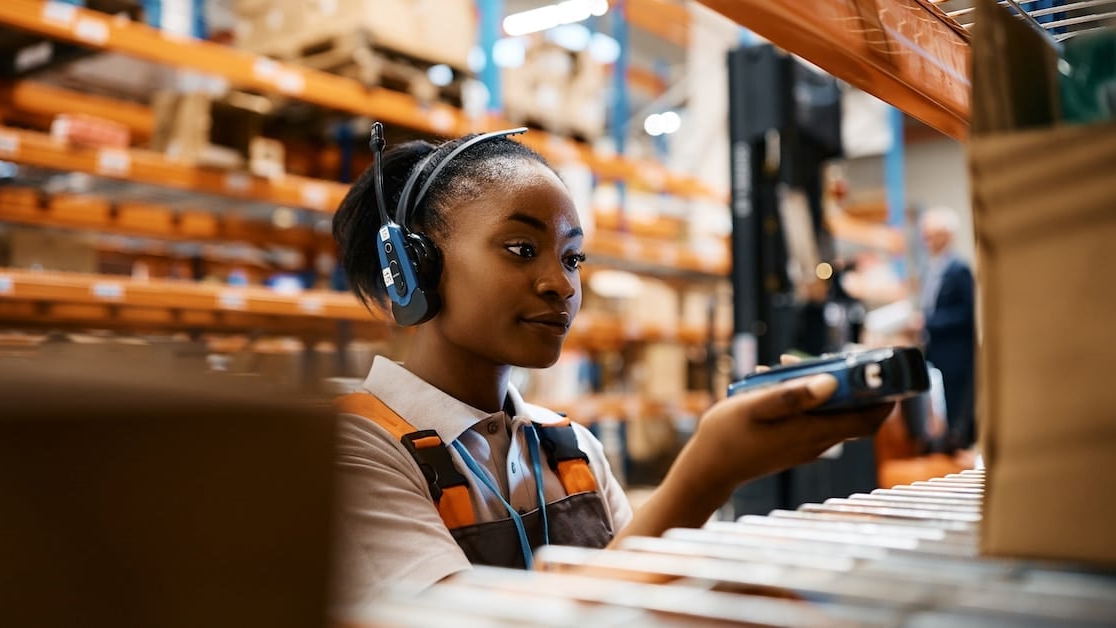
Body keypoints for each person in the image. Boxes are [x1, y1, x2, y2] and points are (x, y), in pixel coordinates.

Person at [331, 125, 892, 603]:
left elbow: (638, 598)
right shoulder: (349, 450)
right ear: (413, 267)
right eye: (522, 249)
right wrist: (705, 477)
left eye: (572, 257)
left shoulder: (569, 448)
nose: (561, 285)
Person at [910, 207, 976, 452]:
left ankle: (956, 448)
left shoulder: (959, 270)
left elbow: (967, 314)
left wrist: (929, 322)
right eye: (925, 235)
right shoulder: (930, 269)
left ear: (947, 235)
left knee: (956, 407)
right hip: (934, 350)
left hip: (956, 354)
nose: (928, 241)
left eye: (933, 235)